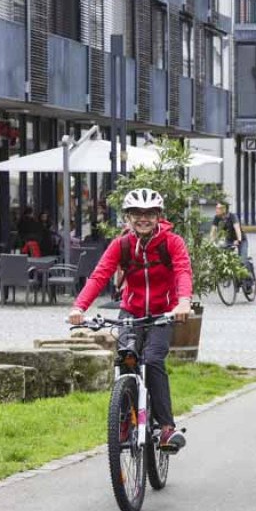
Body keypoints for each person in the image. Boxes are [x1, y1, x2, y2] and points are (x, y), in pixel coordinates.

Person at [67, 188, 194, 452]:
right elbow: (99, 275)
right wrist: (79, 307)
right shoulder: (121, 245)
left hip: (163, 313)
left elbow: (183, 271)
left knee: (153, 359)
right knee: (127, 358)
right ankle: (125, 417)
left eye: (149, 213)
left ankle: (166, 428)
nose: (143, 218)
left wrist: (183, 302)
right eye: (137, 213)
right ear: (128, 217)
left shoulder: (172, 242)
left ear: (158, 216)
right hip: (131, 312)